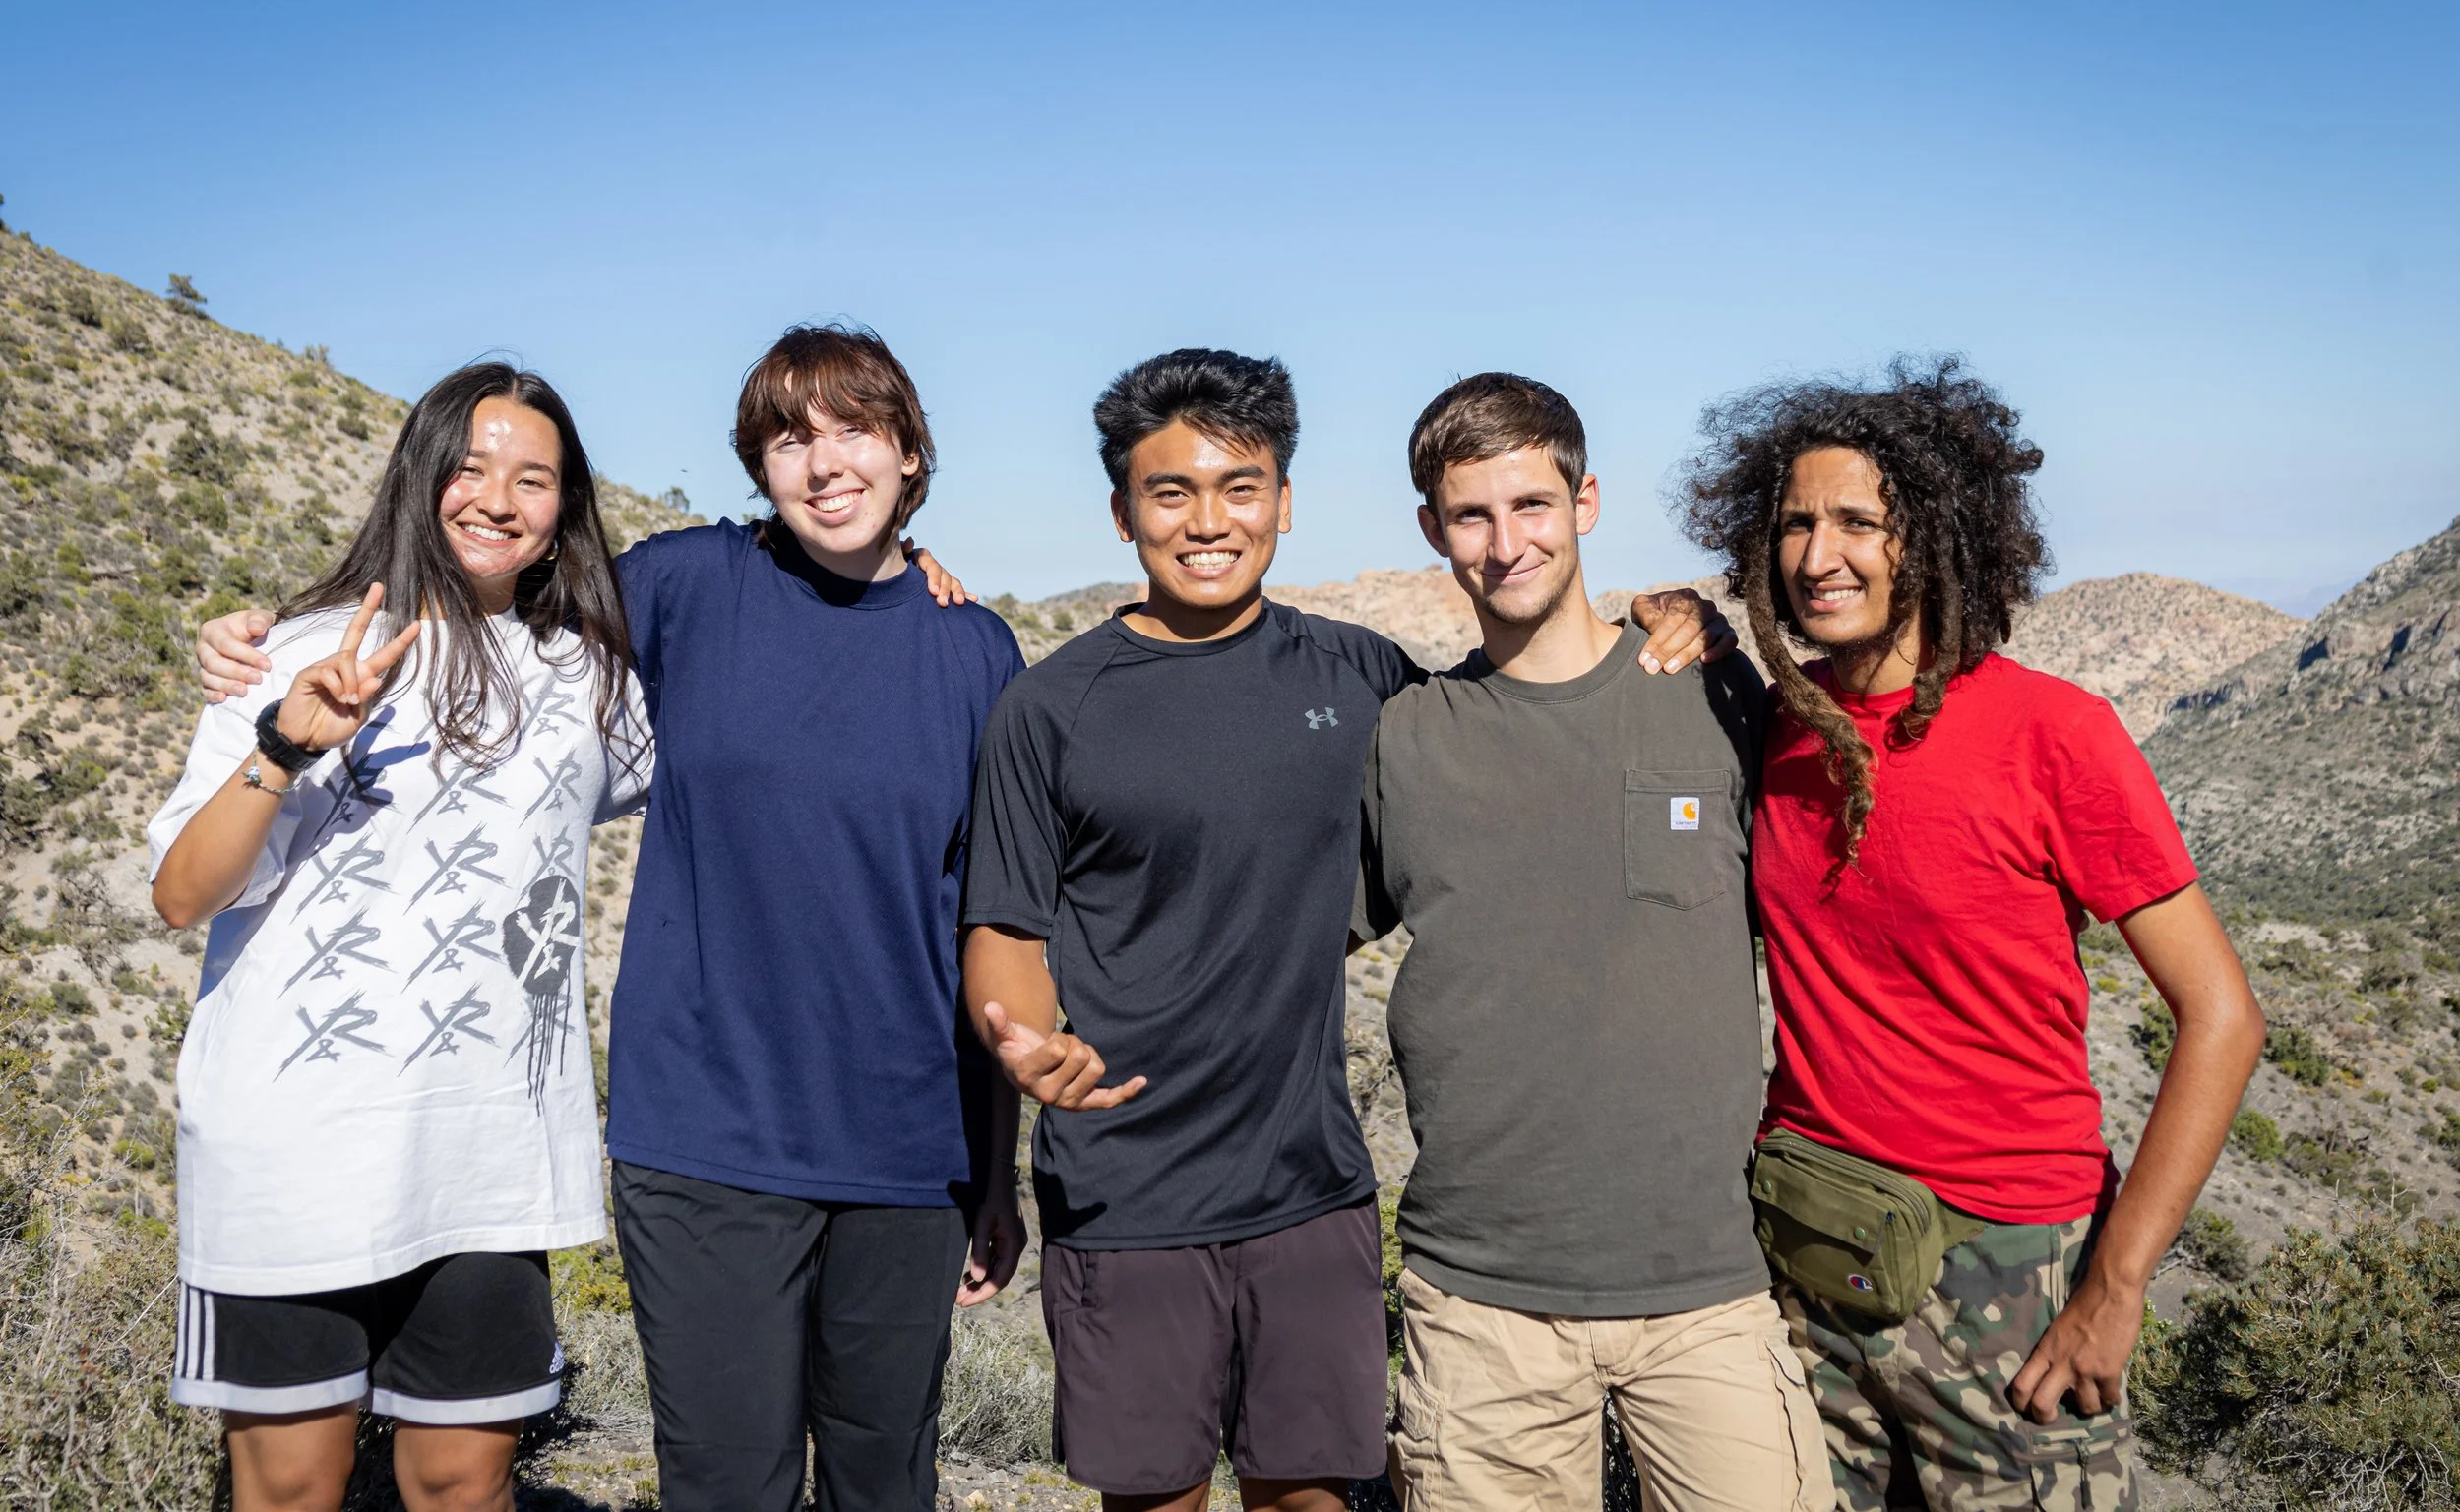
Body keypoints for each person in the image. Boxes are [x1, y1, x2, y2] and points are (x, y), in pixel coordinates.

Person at [194, 325, 1025, 1512]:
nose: (824, 462)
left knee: (887, 1480)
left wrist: (996, 1163)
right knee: (725, 1484)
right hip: (704, 1138)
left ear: (909, 451)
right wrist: (262, 639)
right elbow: (488, 584)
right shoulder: (688, 585)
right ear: (758, 464)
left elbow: (987, 916)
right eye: (789, 439)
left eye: (855, 430)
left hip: (907, 1145)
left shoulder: (976, 648)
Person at [958, 349, 1729, 1512]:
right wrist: (1021, 1035)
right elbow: (1005, 923)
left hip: (1313, 1186)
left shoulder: (1360, 672)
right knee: (1154, 1497)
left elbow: (1515, 724)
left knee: (1312, 1496)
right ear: (1122, 512)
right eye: (1170, 491)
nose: (1207, 520)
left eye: (1240, 487)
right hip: (1126, 1188)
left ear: (1283, 501)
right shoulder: (1050, 706)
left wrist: (1673, 618)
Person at [1677, 357, 2265, 1511]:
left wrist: (2115, 1286)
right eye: (1795, 522)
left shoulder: (2052, 733)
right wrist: (1676, 619)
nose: (1817, 554)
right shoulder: (1780, 727)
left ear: (1937, 535)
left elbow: (2223, 1015)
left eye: (1859, 521)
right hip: (1810, 1249)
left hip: (2008, 1268)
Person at [150, 362, 652, 1512]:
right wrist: (284, 745)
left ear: (564, 508)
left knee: (463, 1482)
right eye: (469, 468)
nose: (497, 498)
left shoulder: (593, 679)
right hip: (291, 1154)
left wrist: (903, 567)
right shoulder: (294, 650)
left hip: (488, 1156)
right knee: (291, 1487)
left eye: (534, 478)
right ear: (419, 475)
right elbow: (182, 894)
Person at [1354, 373, 1828, 1512]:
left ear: (1586, 501)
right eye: (1471, 514)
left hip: (1706, 1283)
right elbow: (1281, 935)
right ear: (1432, 528)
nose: (1505, 541)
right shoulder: (1407, 736)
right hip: (1480, 1299)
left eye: (1531, 503)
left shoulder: (1713, 693)